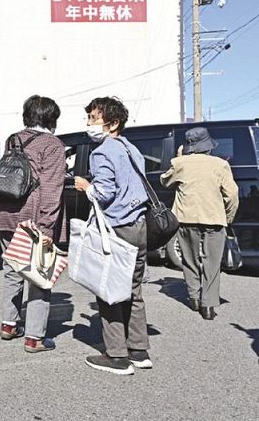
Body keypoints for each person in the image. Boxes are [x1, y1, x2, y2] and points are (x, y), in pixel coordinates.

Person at [73, 97, 151, 375]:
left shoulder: (103, 152)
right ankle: (139, 350)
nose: (89, 124)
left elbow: (105, 193)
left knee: (109, 291)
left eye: (94, 118)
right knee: (134, 290)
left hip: (117, 228)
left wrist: (85, 186)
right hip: (139, 225)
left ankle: (117, 356)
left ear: (113, 122)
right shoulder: (131, 148)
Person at [0, 95, 66, 353]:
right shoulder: (53, 145)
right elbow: (51, 189)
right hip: (34, 218)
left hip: (7, 214)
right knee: (39, 276)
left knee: (12, 269)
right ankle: (34, 338)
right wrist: (47, 227)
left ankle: (9, 324)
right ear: (51, 118)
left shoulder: (13, 139)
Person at [160, 127, 239, 320]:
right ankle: (209, 306)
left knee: (190, 258)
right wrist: (227, 217)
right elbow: (232, 194)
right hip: (214, 218)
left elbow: (164, 181)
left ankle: (194, 298)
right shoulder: (220, 165)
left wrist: (179, 157)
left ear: (188, 146)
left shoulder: (180, 163)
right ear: (208, 146)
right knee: (212, 263)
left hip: (186, 218)